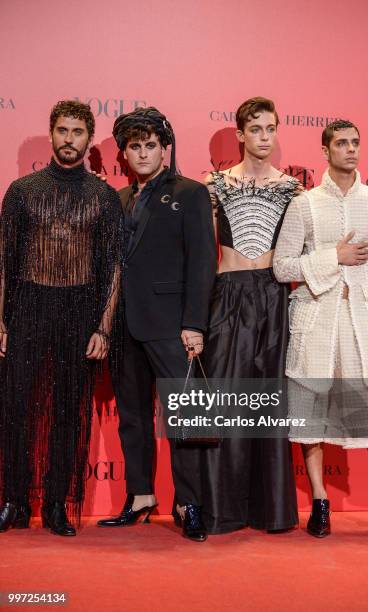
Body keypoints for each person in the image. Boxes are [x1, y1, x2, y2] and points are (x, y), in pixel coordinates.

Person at [273, 119, 368, 538]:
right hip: (317, 320)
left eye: (356, 142)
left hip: (366, 323)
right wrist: (335, 255)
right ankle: (319, 502)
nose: (351, 149)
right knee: (310, 413)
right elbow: (282, 267)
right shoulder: (305, 204)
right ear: (325, 151)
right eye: (341, 143)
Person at [0, 100, 123, 536]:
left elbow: (112, 269)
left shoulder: (104, 198)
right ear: (51, 133)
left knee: (69, 411)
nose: (69, 139)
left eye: (77, 132)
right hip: (29, 306)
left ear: (89, 140)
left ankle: (56, 503)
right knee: (16, 407)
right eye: (62, 131)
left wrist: (103, 327)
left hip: (79, 310)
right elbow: (4, 262)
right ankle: (14, 501)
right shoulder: (21, 191)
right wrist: (1, 322)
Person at [96, 107, 216, 541]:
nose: (142, 153)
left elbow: (203, 262)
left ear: (165, 149)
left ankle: (189, 503)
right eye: (134, 146)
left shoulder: (192, 193)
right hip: (126, 326)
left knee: (185, 419)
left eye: (150, 145)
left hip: (172, 326)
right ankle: (141, 496)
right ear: (124, 153)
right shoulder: (120, 199)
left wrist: (195, 324)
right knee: (132, 418)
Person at [200, 97, 299, 534]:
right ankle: (223, 510)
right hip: (228, 293)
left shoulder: (293, 188)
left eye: (270, 128)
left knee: (268, 402)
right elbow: (199, 253)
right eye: (256, 129)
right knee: (226, 401)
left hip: (275, 295)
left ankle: (270, 511)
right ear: (240, 134)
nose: (264, 137)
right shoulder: (214, 183)